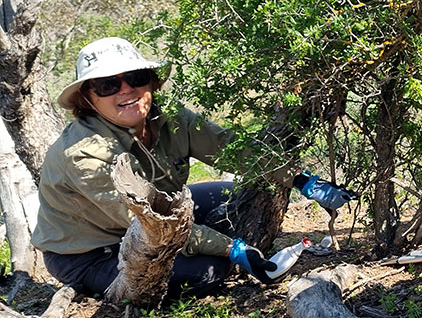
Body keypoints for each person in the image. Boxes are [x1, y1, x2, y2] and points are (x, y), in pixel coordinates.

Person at [33, 37, 354, 300]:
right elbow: (151, 226)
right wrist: (232, 249)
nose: (126, 90)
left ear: (150, 82)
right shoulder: (84, 155)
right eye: (107, 85)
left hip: (160, 214)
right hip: (92, 252)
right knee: (207, 273)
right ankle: (101, 289)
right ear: (88, 98)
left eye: (135, 78)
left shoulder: (170, 118)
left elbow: (235, 150)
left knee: (232, 196)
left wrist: (301, 180)